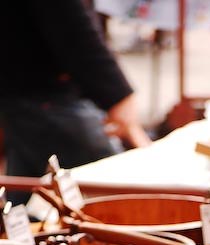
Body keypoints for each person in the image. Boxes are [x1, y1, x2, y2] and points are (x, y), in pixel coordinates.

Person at [0, 3, 150, 199]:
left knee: (21, 195)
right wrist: (119, 97)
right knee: (117, 190)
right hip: (42, 91)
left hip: (30, 87)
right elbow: (75, 30)